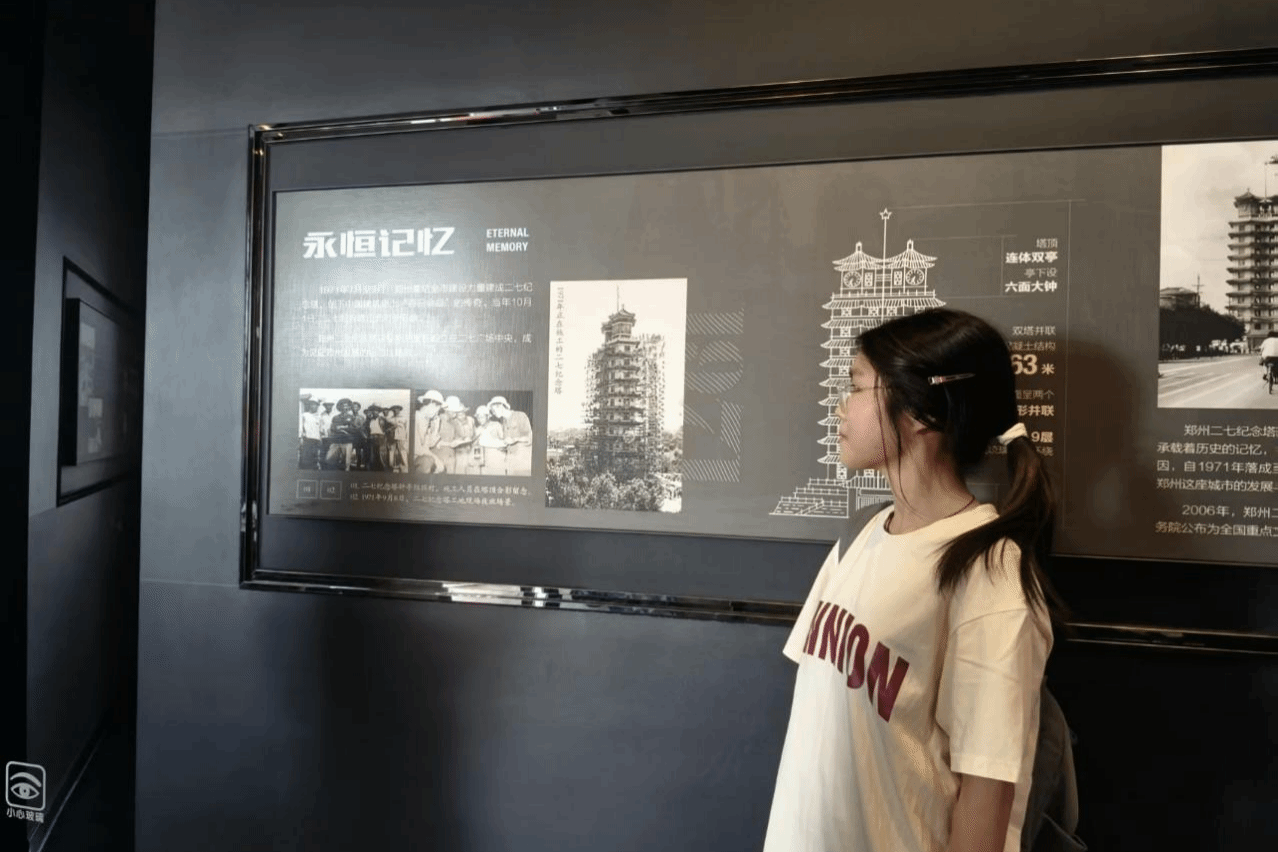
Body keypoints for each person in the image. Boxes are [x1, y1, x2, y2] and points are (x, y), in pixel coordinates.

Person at [763, 308, 1065, 852]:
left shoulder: (990, 573)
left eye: (857, 387)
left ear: (921, 410)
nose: (841, 406)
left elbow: (986, 797)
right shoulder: (860, 534)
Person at [488, 395, 533, 476]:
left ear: (500, 406)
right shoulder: (503, 422)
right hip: (511, 463)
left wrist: (514, 439)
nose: (493, 414)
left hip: (523, 463)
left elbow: (529, 438)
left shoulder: (520, 415)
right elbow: (507, 442)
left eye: (493, 411)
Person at [413, 390, 445, 474]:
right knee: (428, 461)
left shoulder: (427, 420)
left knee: (436, 460)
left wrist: (436, 426)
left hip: (420, 456)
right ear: (431, 404)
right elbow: (416, 449)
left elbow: (430, 444)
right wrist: (436, 459)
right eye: (437, 409)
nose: (437, 413)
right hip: (411, 457)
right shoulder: (415, 417)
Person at [298, 398, 323, 470]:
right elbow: (300, 427)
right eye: (313, 404)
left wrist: (320, 439)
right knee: (305, 459)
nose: (314, 406)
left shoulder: (319, 417)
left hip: (316, 440)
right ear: (310, 405)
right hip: (307, 439)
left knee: (315, 458)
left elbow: (320, 430)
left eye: (316, 405)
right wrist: (300, 438)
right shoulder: (304, 415)